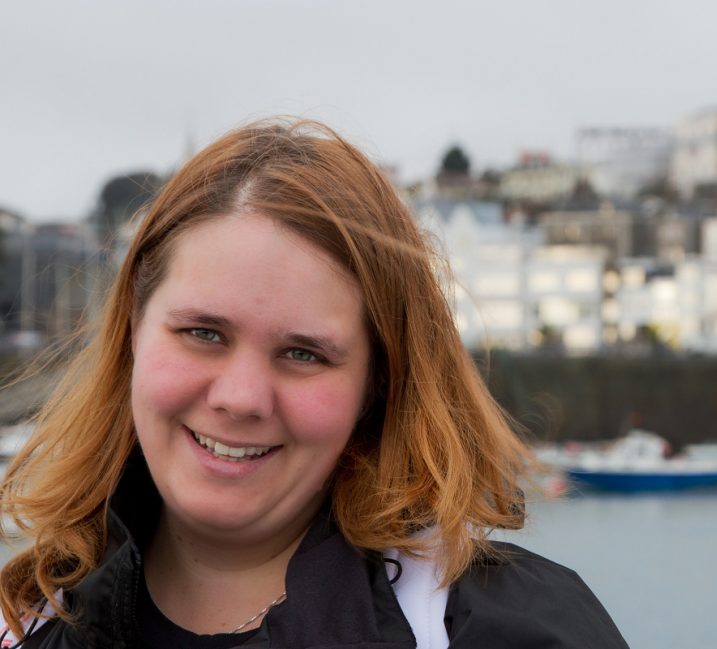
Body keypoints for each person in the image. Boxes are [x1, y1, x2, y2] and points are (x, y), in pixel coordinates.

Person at [0, 119, 628, 648]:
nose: (240, 398)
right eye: (203, 333)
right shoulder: (26, 620)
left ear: (378, 383)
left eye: (303, 353)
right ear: (134, 332)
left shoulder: (503, 633)